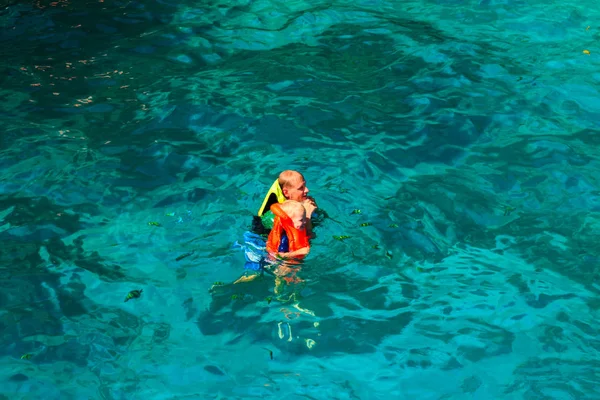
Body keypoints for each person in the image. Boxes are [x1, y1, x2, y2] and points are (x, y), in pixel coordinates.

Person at [234, 200, 311, 285]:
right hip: (277, 261)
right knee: (285, 271)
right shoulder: (284, 238)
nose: (304, 222)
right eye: (301, 220)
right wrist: (292, 254)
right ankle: (278, 284)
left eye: (304, 219)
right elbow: (282, 255)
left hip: (273, 255)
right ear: (289, 221)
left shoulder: (296, 230)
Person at [253, 170, 318, 238]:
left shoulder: (300, 204)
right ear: (286, 192)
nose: (307, 190)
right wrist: (307, 216)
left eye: (305, 185)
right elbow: (304, 239)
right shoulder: (278, 217)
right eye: (301, 188)